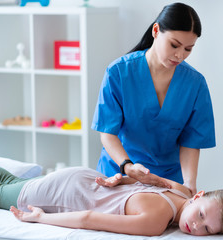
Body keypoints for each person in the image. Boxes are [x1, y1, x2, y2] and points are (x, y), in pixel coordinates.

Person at [0, 155, 223, 236]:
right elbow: (88, 219)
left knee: (8, 180)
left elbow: (140, 183)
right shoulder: (157, 221)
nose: (195, 226)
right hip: (69, 192)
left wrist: (117, 180)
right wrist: (42, 217)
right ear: (198, 195)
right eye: (201, 215)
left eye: (207, 231)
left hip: (84, 178)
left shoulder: (180, 191)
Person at [91, 2, 215, 195]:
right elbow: (107, 132)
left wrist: (189, 185)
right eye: (174, 45)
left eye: (188, 49)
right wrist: (127, 166)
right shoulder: (118, 73)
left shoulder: (195, 84)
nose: (180, 55)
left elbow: (190, 142)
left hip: (166, 181)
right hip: (119, 174)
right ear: (156, 31)